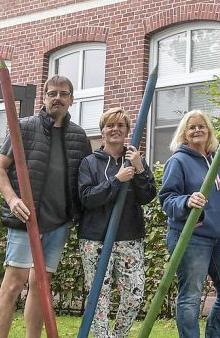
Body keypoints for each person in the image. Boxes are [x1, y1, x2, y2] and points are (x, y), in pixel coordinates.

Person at [0, 75, 92, 338]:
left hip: (58, 223)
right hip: (26, 220)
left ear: (71, 99)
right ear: (44, 98)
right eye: (52, 93)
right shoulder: (23, 128)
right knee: (13, 283)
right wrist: (13, 200)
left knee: (40, 286)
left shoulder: (79, 137)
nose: (58, 98)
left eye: (64, 93)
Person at [159, 110, 220, 338]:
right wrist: (187, 201)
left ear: (209, 131)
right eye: (191, 127)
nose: (197, 130)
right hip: (192, 238)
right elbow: (166, 199)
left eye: (201, 126)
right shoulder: (178, 161)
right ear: (184, 134)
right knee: (191, 296)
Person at [77, 107, 157, 338]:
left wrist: (140, 169)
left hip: (129, 236)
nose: (115, 129)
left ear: (127, 131)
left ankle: (119, 335)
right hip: (95, 238)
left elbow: (148, 196)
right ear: (102, 132)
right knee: (98, 296)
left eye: (120, 126)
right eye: (110, 125)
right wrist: (116, 180)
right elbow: (87, 198)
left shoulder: (134, 160)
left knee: (135, 294)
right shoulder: (89, 163)